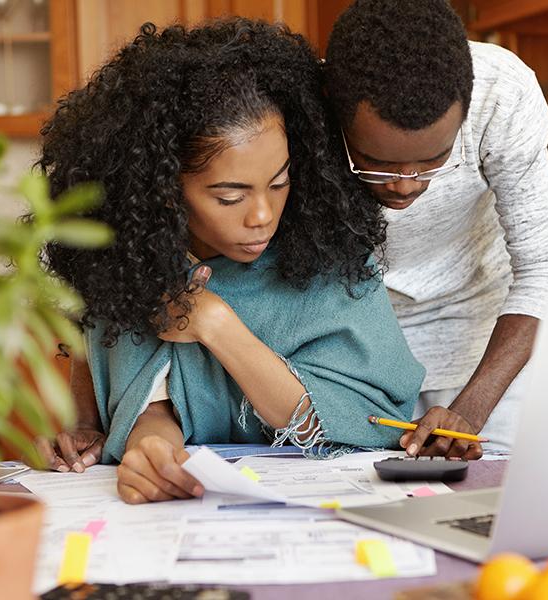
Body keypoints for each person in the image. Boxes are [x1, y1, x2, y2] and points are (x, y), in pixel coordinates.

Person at [34, 20, 425, 503]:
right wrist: (152, 453)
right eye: (229, 196)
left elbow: (368, 417)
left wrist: (216, 323)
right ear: (163, 190)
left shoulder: (334, 255)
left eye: (279, 183)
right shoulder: (128, 266)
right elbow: (150, 401)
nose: (262, 216)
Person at [323, 0, 548, 458]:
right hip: (350, 349)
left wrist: (470, 412)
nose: (404, 185)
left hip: (482, 342)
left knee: (491, 503)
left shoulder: (501, 95)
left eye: (433, 160)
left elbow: (545, 268)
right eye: (377, 163)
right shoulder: (307, 107)